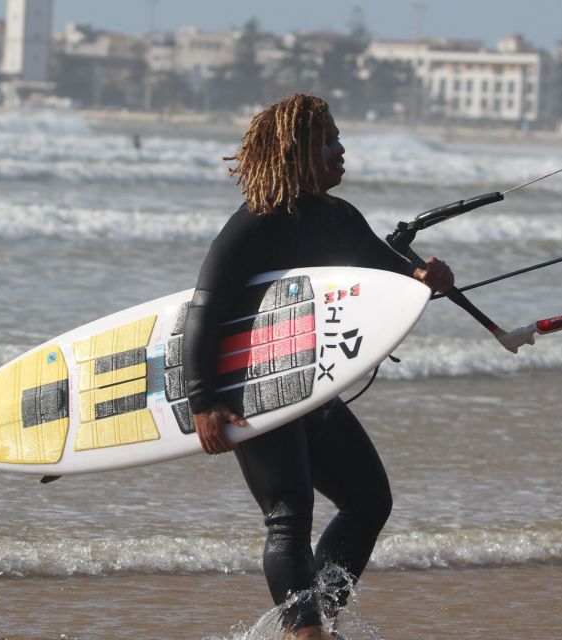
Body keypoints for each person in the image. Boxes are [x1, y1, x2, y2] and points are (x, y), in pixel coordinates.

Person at [182, 94, 454, 639]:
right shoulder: (255, 224)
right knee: (290, 514)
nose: (341, 148)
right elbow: (203, 310)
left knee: (368, 499)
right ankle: (304, 631)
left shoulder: (339, 218)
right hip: (250, 383)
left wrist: (428, 279)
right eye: (328, 140)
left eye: (337, 136)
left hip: (307, 382)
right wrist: (202, 400)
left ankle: (314, 621)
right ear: (296, 150)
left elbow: (396, 277)